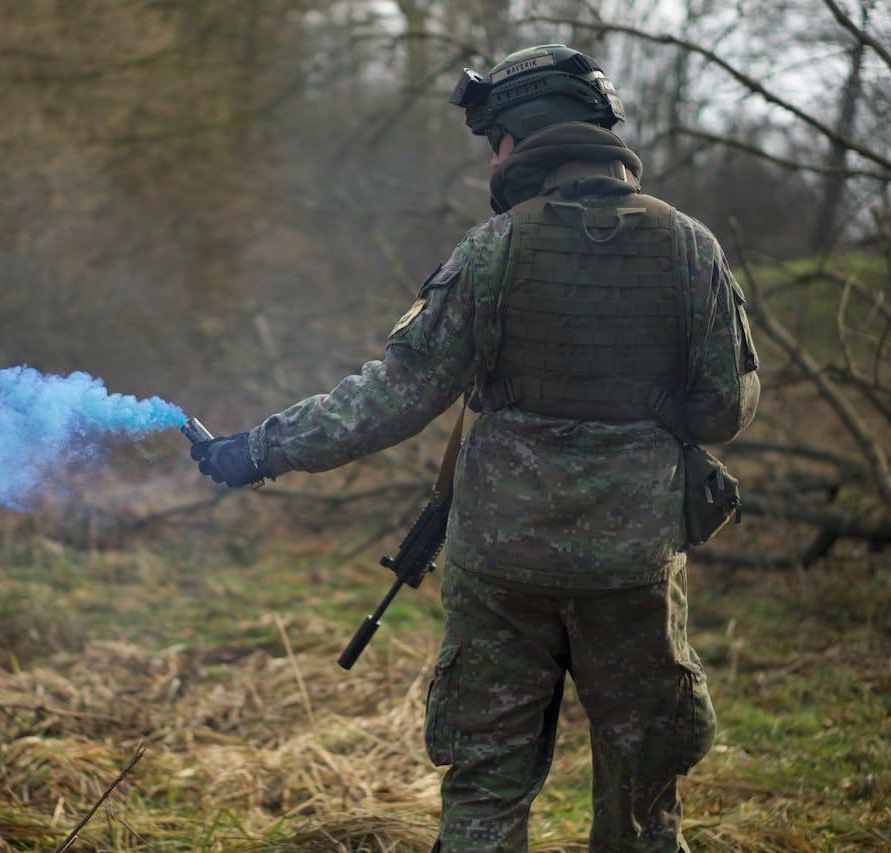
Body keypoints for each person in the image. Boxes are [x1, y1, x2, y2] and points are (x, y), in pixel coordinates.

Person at [190, 44, 761, 853]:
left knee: (483, 803)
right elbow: (725, 409)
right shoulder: (690, 247)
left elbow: (390, 399)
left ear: (521, 139)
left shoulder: (493, 250)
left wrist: (254, 450)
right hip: (631, 567)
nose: (493, 156)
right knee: (643, 811)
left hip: (501, 568)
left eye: (495, 138)